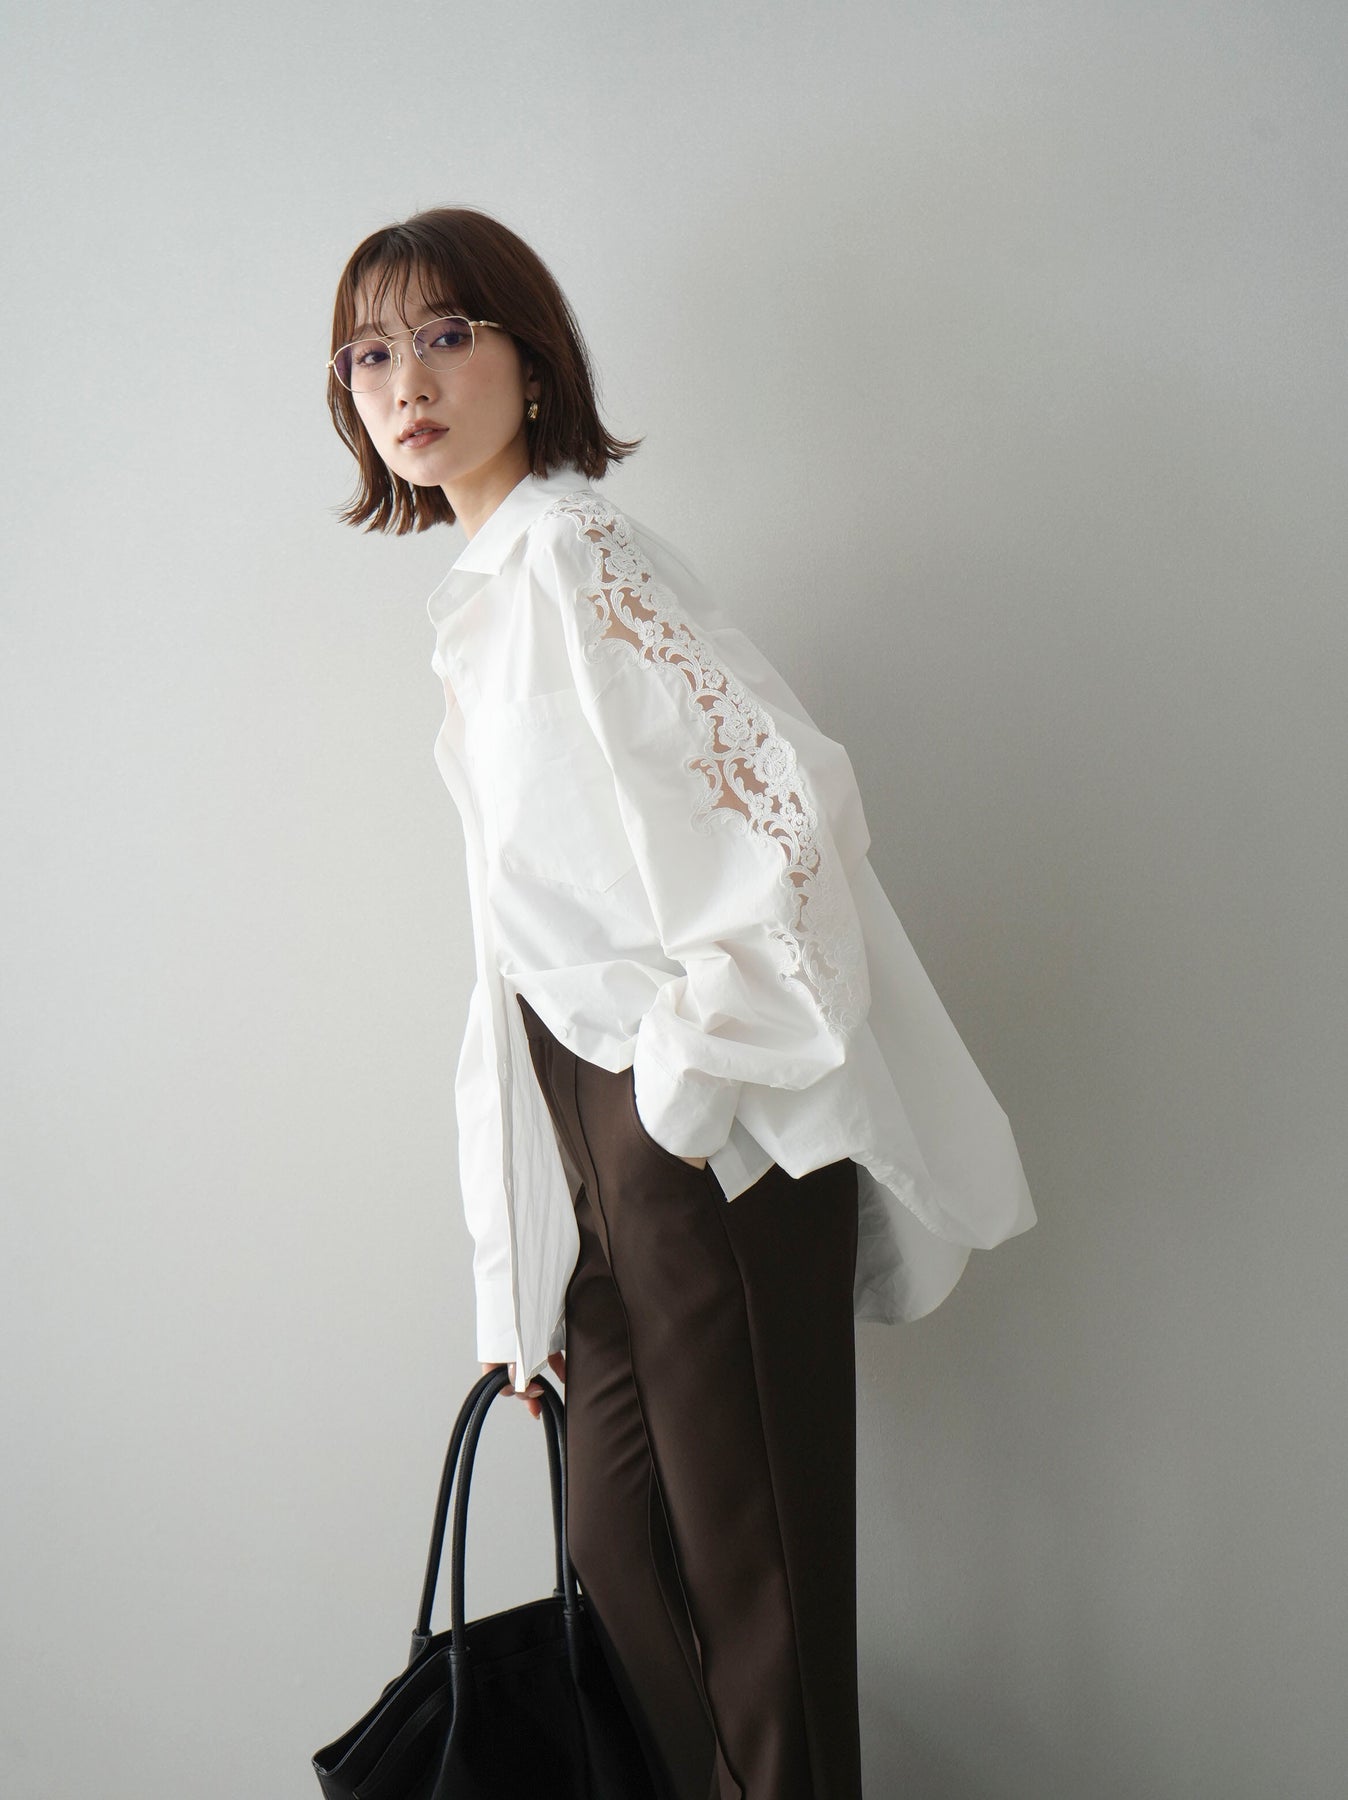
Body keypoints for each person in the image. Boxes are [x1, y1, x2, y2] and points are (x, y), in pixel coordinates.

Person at [325, 204, 1036, 1800]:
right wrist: (523, 1269)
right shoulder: (488, 597)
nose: (405, 382)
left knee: (756, 1588)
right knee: (620, 1547)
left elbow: (792, 812)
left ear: (532, 362)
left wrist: (676, 1099)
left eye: (446, 336)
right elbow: (516, 960)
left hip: (698, 1129)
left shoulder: (577, 555)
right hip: (596, 1135)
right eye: (368, 354)